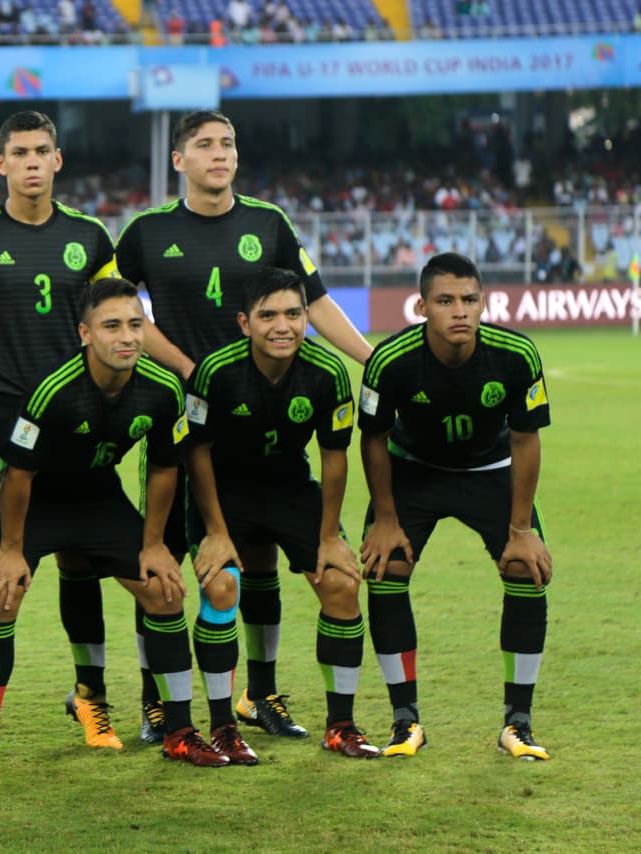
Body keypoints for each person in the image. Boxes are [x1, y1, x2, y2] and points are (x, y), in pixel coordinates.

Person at [116, 109, 372, 742]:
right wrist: (190, 368)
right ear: (179, 160)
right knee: (173, 572)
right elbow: (120, 312)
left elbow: (312, 301)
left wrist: (374, 359)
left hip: (271, 426)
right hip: (186, 425)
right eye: (204, 145)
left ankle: (261, 694)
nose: (219, 153)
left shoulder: (269, 223)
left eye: (227, 143)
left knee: (256, 565)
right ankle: (157, 701)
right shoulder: (147, 231)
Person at [0, 110, 121, 756]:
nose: (32, 162)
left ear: (58, 161)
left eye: (43, 151)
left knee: (81, 558)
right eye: (20, 152)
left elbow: (114, 312)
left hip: (76, 425)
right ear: (0, 164)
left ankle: (91, 699)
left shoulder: (90, 238)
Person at [0, 278, 214, 779]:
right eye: (112, 325)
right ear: (85, 334)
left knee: (164, 590)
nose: (128, 337)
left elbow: (165, 468)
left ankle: (180, 733)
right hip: (34, 501)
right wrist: (11, 549)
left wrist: (154, 544)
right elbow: (18, 474)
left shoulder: (163, 389)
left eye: (136, 325)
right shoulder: (52, 390)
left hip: (98, 496)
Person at [359, 252, 552, 760]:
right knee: (386, 568)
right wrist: (384, 518)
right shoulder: (390, 359)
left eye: (469, 299)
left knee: (524, 568)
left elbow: (527, 441)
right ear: (421, 306)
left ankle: (519, 721)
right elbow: (373, 440)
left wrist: (520, 527)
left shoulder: (516, 354)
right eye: (446, 301)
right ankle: (405, 720)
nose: (460, 311)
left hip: (490, 471)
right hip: (413, 471)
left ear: (483, 302)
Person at [183, 268, 378, 762]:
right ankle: (224, 726)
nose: (282, 326)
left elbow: (335, 456)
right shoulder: (215, 372)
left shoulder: (327, 372)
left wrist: (330, 534)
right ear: (245, 322)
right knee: (223, 586)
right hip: (224, 494)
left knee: (340, 583)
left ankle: (341, 726)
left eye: (294, 313)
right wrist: (217, 531)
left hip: (291, 489)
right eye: (268, 315)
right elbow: (197, 452)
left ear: (307, 317)